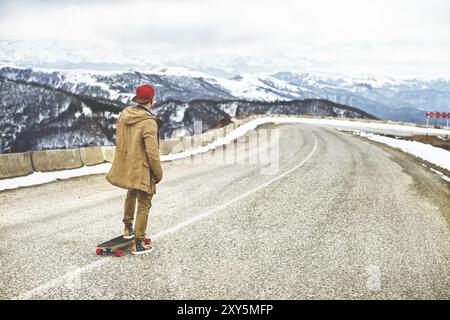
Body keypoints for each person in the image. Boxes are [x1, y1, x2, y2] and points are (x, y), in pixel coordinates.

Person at [106, 84, 163, 255]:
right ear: (151, 100)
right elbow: (152, 153)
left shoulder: (124, 115)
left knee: (131, 193)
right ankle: (138, 243)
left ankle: (127, 229)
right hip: (142, 168)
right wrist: (158, 173)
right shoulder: (148, 123)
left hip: (129, 164)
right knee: (145, 203)